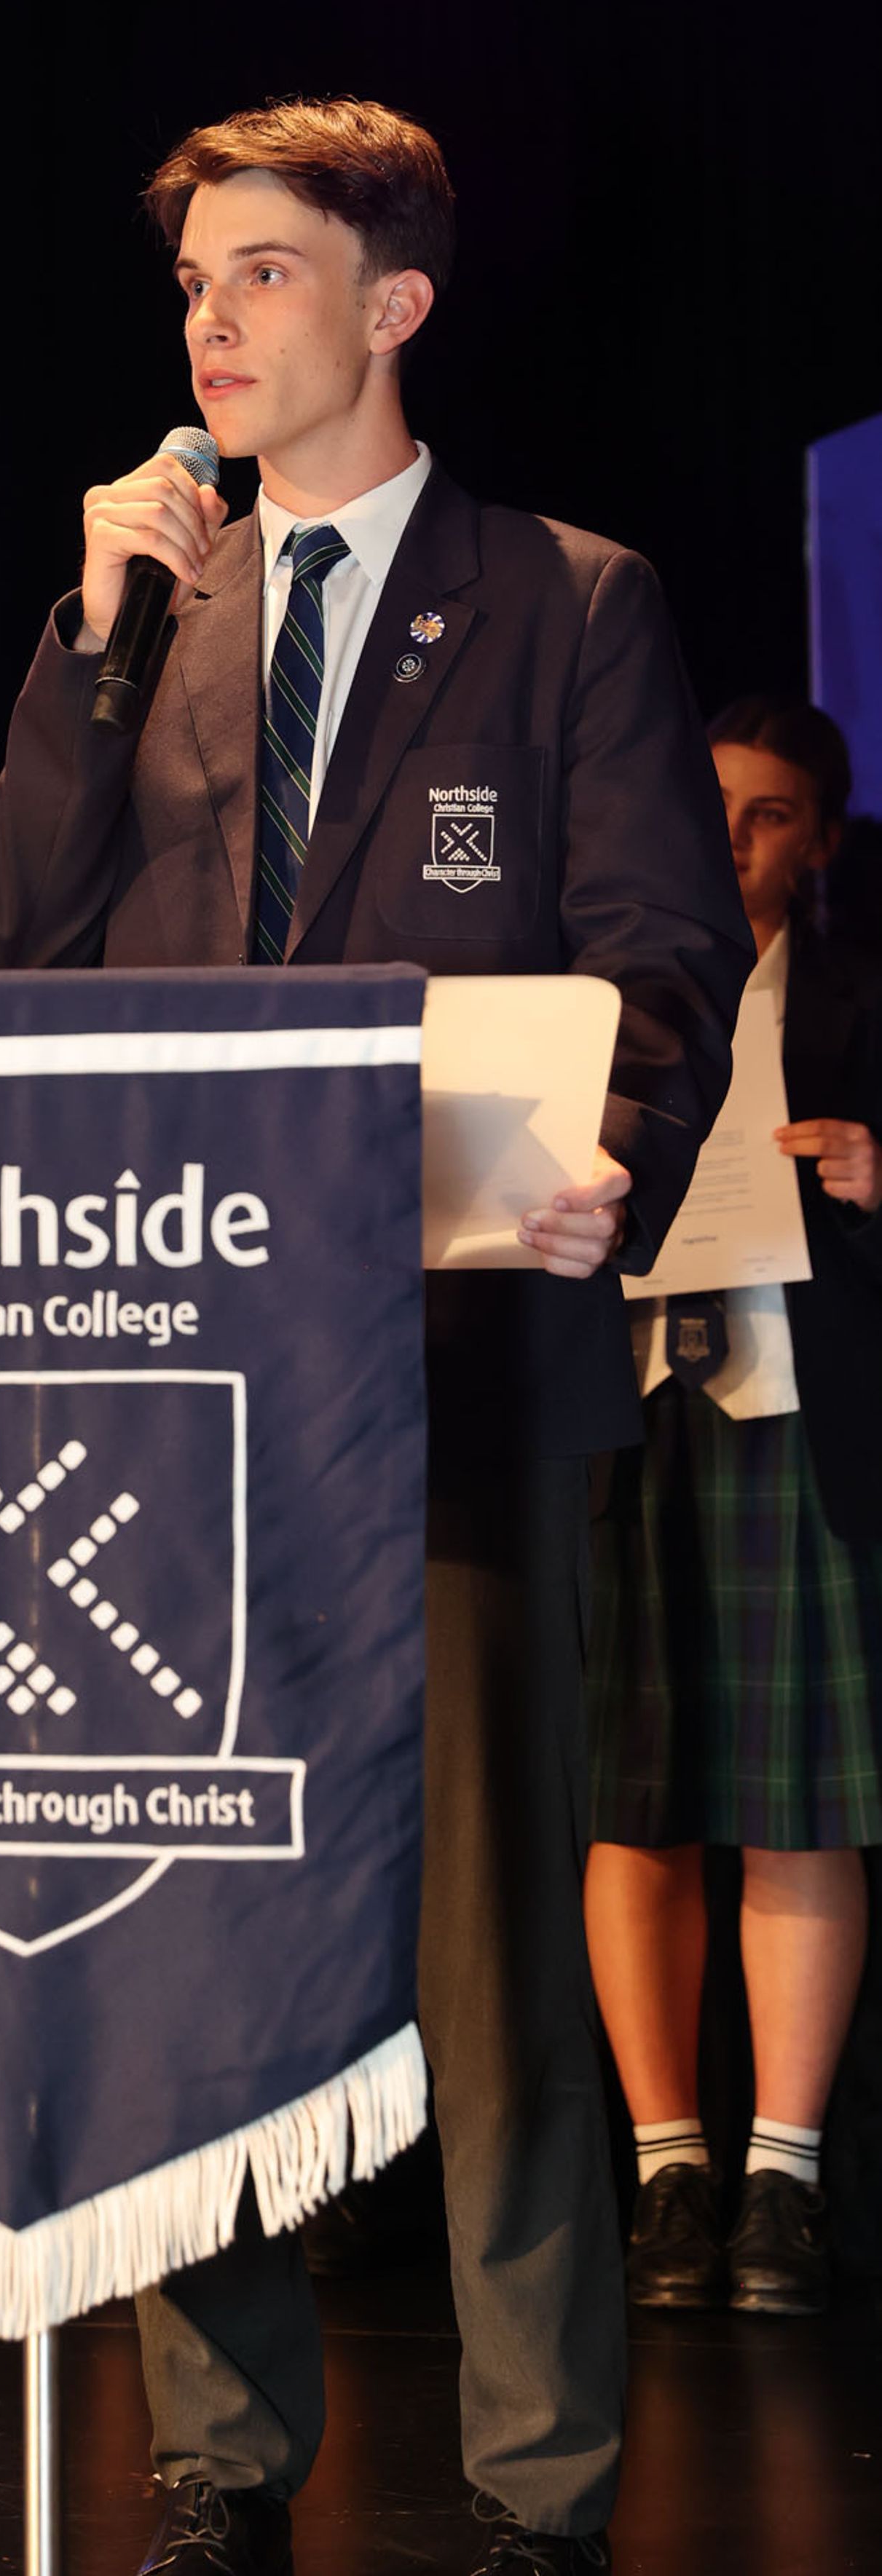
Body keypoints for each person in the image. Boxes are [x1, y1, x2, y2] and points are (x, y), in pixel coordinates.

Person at [0, 98, 752, 2576]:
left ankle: (539, 2482)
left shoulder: (563, 600)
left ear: (394, 304)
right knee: (186, 1950)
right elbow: (11, 935)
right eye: (192, 283)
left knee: (490, 1958)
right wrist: (91, 643)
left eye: (265, 274)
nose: (211, 323)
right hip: (169, 1378)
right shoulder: (144, 623)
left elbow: (660, 957)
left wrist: (599, 1155)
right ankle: (216, 2458)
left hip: (456, 1364)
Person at [585, 697, 882, 2318]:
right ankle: (664, 2167)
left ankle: (783, 2174)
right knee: (629, 1796)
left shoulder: (854, 992)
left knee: (796, 1799)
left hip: (789, 1412)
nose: (730, 837)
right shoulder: (594, 987)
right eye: (710, 804)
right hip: (620, 1410)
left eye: (767, 815)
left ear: (814, 841)